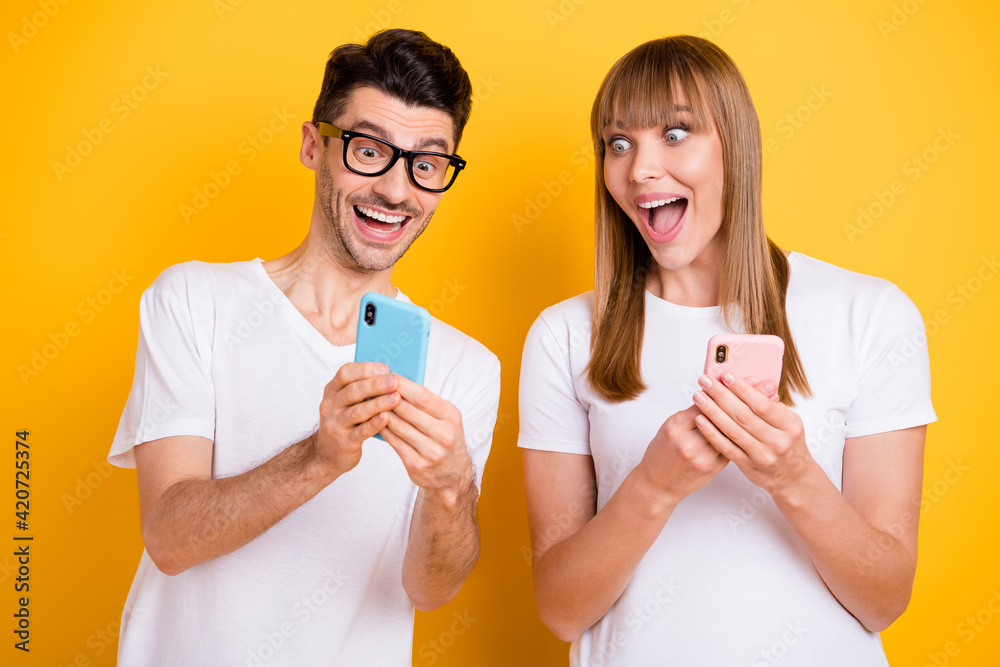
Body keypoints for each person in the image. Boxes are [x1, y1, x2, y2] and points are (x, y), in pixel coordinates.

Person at [518, 35, 935, 666]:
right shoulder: (565, 334)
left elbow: (883, 599)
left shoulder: (869, 314)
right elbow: (561, 609)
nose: (639, 170)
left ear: (735, 147)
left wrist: (793, 476)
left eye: (676, 133)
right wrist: (653, 486)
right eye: (618, 143)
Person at [107, 28, 501, 667]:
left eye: (426, 164)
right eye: (370, 148)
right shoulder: (194, 301)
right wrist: (321, 456)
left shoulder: (464, 368)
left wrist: (451, 487)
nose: (398, 191)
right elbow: (170, 538)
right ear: (314, 145)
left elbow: (430, 591)